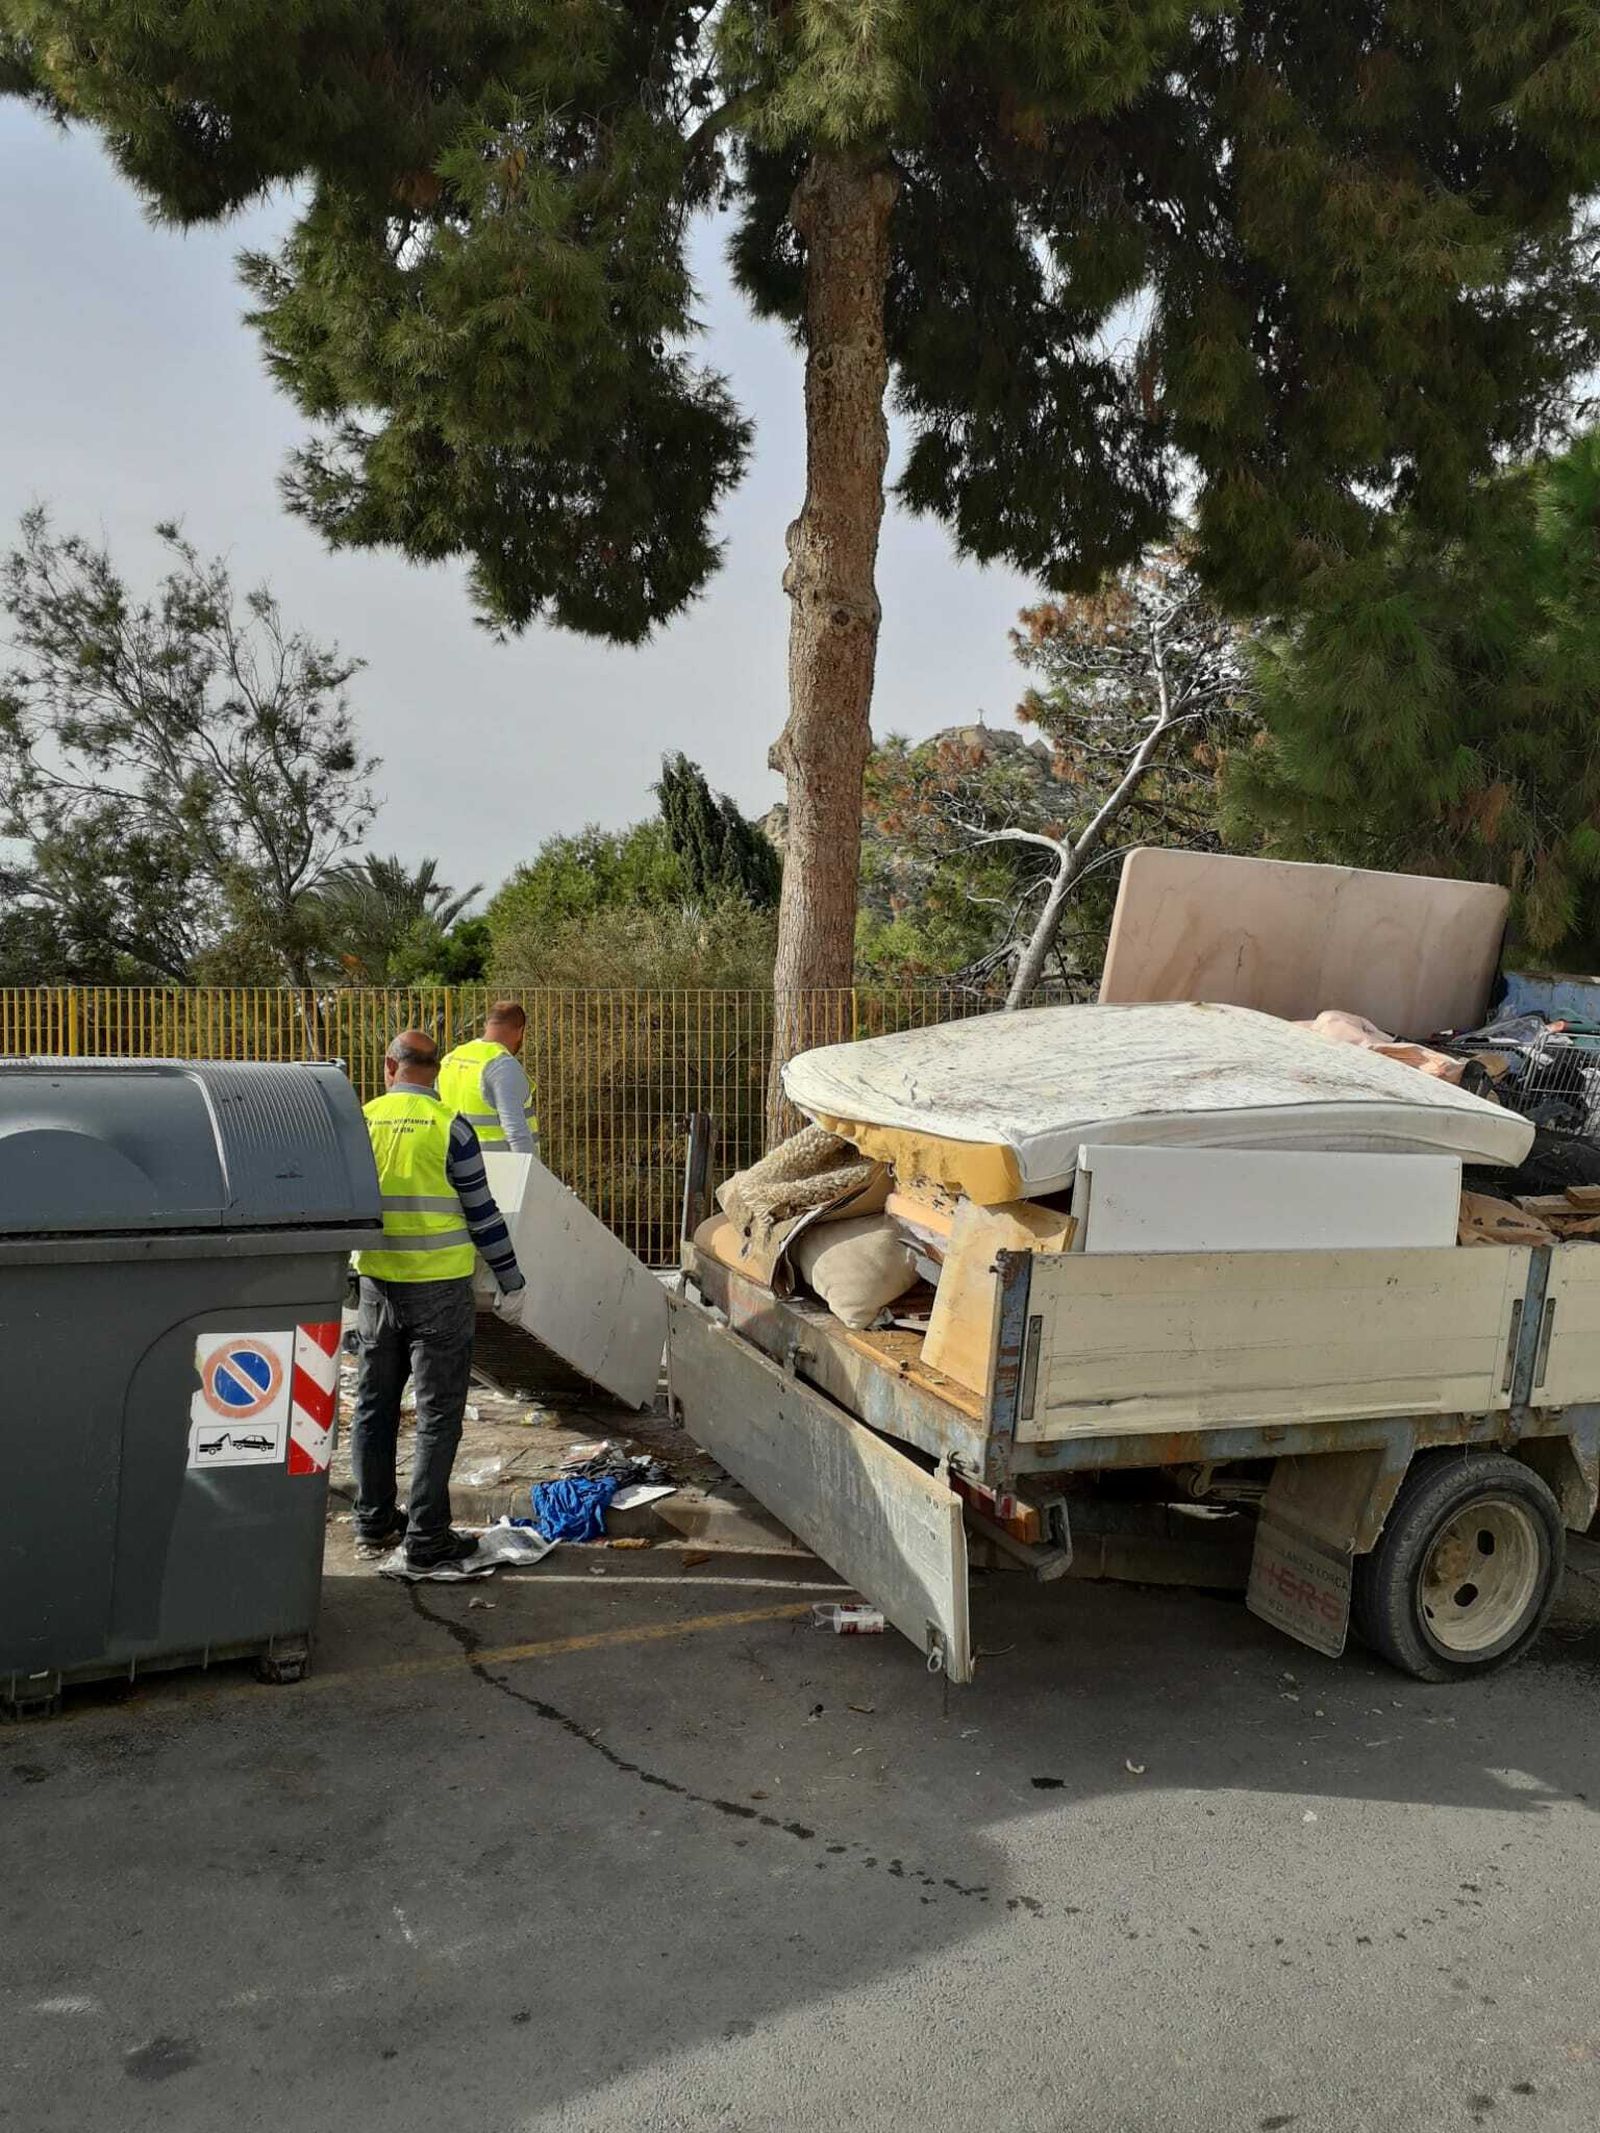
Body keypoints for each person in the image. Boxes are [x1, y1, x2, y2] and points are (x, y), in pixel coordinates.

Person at [350, 1029, 525, 1568]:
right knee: (437, 1415)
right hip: (440, 1293)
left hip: (376, 1288)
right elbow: (481, 1213)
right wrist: (511, 1279)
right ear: (437, 1071)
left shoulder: (360, 1121)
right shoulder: (451, 1126)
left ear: (390, 1066)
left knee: (374, 1407)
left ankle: (374, 1520)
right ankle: (426, 1537)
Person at [437, 1001, 539, 1157]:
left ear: (486, 1025)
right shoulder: (503, 1066)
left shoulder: (449, 1059)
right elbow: (516, 1134)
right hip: (498, 1167)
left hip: (457, 1165)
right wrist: (532, 1170)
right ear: (520, 1031)